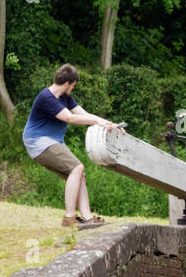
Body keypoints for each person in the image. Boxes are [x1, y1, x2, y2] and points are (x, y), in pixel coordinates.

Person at [22, 64, 123, 229]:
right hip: (37, 141)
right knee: (77, 168)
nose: (73, 88)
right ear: (68, 83)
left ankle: (88, 218)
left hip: (52, 141)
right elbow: (69, 118)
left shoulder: (65, 97)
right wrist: (97, 121)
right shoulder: (46, 98)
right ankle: (69, 217)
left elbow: (84, 115)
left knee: (79, 174)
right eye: (74, 85)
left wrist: (109, 124)